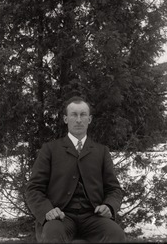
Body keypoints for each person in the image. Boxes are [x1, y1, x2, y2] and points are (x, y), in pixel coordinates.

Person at [25, 96, 126, 243]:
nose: (78, 120)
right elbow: (33, 189)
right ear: (66, 119)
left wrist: (109, 206)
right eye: (74, 115)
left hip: (93, 217)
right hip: (60, 217)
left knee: (116, 235)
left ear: (89, 119)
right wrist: (48, 211)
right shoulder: (50, 150)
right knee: (52, 236)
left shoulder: (101, 151)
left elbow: (114, 189)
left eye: (83, 115)